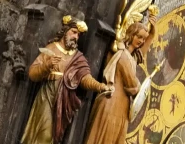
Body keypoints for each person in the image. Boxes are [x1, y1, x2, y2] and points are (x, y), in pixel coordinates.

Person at [21, 16, 110, 144]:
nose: (76, 37)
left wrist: (101, 86)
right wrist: (47, 65)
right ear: (65, 30)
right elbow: (32, 74)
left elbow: (85, 78)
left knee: (53, 137)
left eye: (78, 35)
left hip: (64, 102)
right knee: (44, 135)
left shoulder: (77, 58)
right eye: (74, 32)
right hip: (47, 97)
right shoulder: (51, 48)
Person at [83, 12, 156, 144]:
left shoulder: (131, 56)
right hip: (113, 105)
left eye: (143, 39)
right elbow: (133, 86)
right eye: (139, 37)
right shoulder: (123, 57)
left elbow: (142, 51)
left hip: (119, 106)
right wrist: (142, 87)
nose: (141, 41)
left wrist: (152, 33)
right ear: (131, 35)